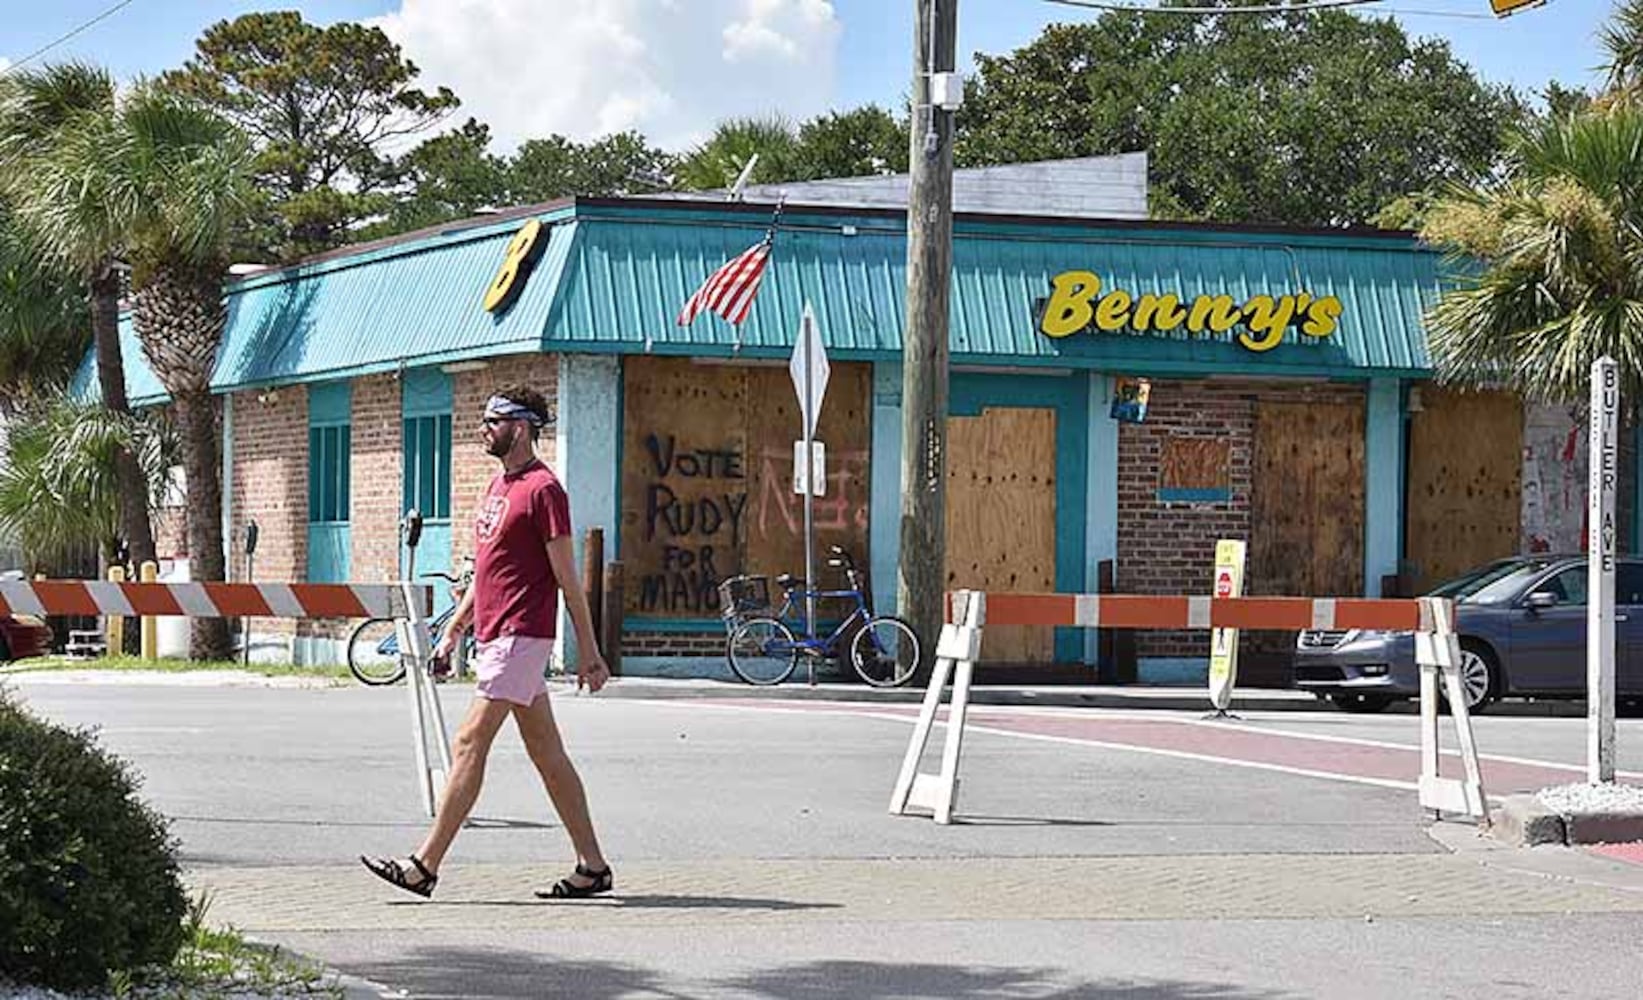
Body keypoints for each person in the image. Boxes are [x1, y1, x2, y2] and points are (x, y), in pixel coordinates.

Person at [362, 386, 614, 900]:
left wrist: (589, 651)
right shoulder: (497, 487)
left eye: (492, 420)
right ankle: (593, 865)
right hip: (497, 633)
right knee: (548, 754)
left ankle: (424, 865)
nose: (483, 427)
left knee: (469, 742)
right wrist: (453, 629)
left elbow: (568, 578)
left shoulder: (545, 491)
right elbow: (485, 574)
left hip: (522, 634)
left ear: (520, 428)